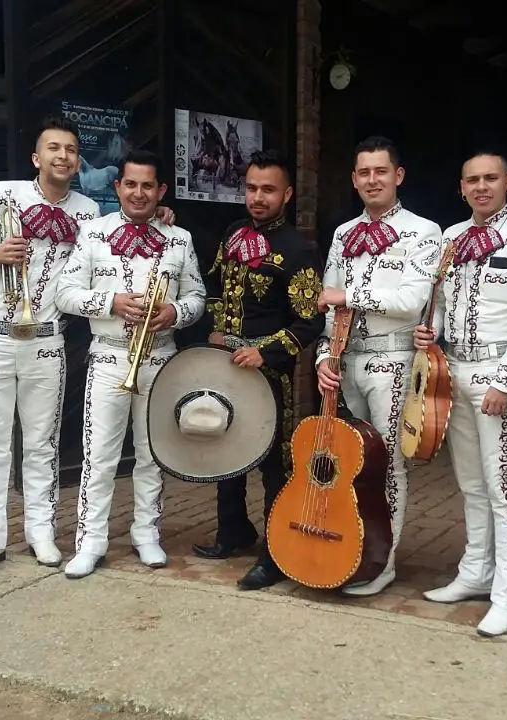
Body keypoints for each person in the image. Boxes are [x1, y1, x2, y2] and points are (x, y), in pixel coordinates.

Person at [0, 115, 100, 576]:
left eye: (71, 150)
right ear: (37, 158)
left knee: (42, 444)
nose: (63, 156)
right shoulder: (4, 193)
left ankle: (41, 533)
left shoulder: (89, 211)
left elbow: (107, 252)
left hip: (45, 340)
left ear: (78, 161)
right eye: (54, 148)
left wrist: (160, 216)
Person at [414, 152, 507, 636]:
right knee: (470, 481)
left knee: (501, 485)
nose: (482, 187)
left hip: (496, 371)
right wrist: (429, 332)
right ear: (461, 187)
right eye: (472, 180)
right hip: (455, 366)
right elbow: (440, 303)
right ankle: (475, 572)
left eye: (491, 178)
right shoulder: (450, 238)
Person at [56, 149, 206, 579]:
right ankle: (90, 541)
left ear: (159, 191)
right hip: (108, 356)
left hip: (160, 357)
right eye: (130, 184)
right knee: (98, 455)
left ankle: (147, 534)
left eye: (147, 186)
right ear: (117, 186)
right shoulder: (93, 234)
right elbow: (66, 294)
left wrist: (174, 313)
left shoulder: (180, 239)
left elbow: (197, 297)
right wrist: (111, 302)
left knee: (151, 454)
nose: (138, 193)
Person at [192, 149, 326, 591]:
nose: (258, 197)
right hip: (225, 363)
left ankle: (275, 553)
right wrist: (214, 329)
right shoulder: (231, 233)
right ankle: (233, 531)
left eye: (268, 189)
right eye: (251, 188)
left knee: (273, 464)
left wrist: (264, 353)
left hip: (271, 375)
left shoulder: (299, 248)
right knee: (225, 448)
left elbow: (310, 322)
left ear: (286, 194)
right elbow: (215, 286)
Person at [316, 136, 443, 597]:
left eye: (381, 171)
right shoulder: (343, 233)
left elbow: (411, 302)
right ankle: (350, 550)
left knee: (387, 465)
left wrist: (347, 296)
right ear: (354, 179)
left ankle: (382, 561)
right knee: (348, 463)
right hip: (345, 358)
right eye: (364, 173)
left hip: (392, 360)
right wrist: (322, 357)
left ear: (398, 176)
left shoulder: (424, 231)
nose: (372, 180)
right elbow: (327, 303)